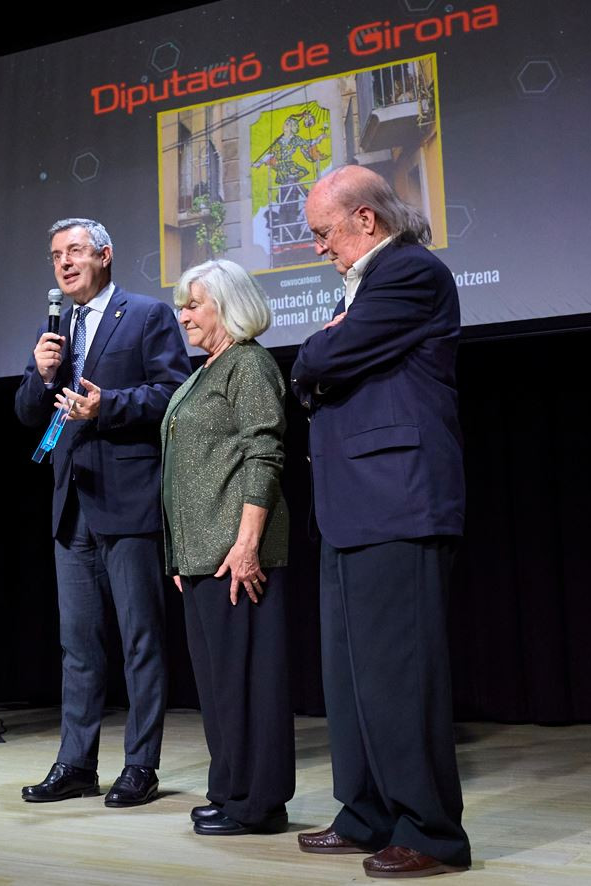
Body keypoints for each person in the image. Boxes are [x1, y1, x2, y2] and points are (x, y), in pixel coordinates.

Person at [290, 166, 471, 877]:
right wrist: (322, 360)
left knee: (400, 676)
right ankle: (367, 814)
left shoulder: (408, 272)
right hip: (351, 506)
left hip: (398, 498)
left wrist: (318, 355)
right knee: (350, 678)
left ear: (365, 220)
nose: (317, 248)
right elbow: (324, 366)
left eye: (322, 232)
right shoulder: (365, 286)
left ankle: (430, 834)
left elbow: (320, 358)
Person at [15, 218, 191, 806]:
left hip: (130, 502)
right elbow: (25, 412)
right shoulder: (56, 332)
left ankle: (141, 764)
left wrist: (106, 406)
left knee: (140, 639)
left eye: (74, 252)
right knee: (78, 645)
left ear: (105, 255)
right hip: (72, 508)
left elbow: (172, 393)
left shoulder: (146, 315)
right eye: (54, 255)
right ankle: (76, 764)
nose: (63, 263)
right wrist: (41, 375)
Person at [160, 259, 293, 836]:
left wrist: (246, 545)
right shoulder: (201, 372)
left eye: (193, 304)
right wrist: (180, 554)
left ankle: (258, 803)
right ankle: (230, 789)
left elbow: (264, 454)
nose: (182, 314)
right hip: (200, 558)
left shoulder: (250, 364)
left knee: (249, 684)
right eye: (182, 305)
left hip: (237, 555)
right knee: (218, 686)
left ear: (228, 306)